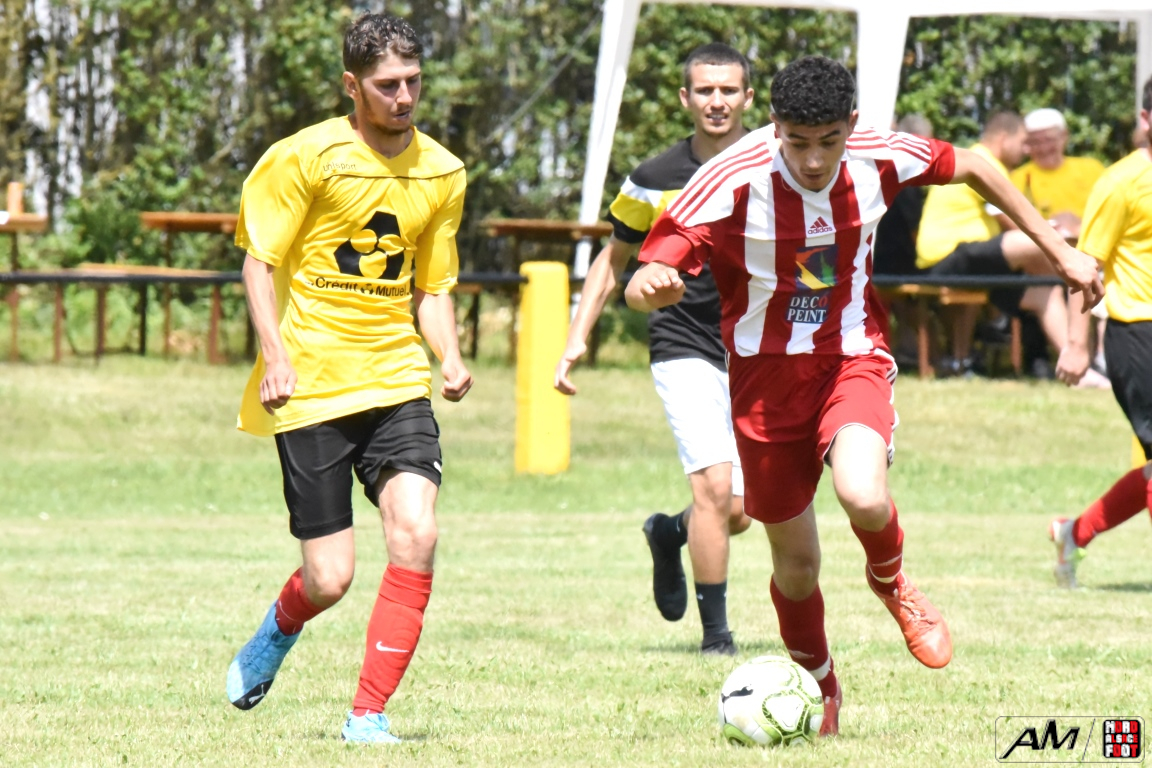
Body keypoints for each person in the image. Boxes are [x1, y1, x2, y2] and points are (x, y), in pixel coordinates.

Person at [624, 56, 1102, 736]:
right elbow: (645, 273)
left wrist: (1060, 252)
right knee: (797, 567)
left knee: (864, 494)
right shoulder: (728, 178)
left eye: (829, 140)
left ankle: (892, 580)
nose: (814, 160)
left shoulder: (880, 153)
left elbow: (975, 165)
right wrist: (652, 286)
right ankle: (822, 686)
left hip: (851, 357)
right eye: (797, 142)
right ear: (774, 125)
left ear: (851, 124)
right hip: (763, 383)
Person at [224, 13, 473, 744]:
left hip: (395, 380)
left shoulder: (443, 171)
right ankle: (280, 626)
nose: (404, 97)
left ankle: (367, 715)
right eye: (387, 85)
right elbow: (259, 265)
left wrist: (449, 355)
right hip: (313, 386)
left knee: (417, 532)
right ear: (351, 86)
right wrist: (275, 356)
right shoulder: (305, 157)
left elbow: (432, 287)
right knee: (330, 577)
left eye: (413, 81)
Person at [554, 43, 752, 656]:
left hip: (755, 347)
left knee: (742, 510)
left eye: (728, 90)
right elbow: (612, 261)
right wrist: (576, 338)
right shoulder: (654, 178)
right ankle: (717, 640)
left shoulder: (773, 164)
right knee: (714, 490)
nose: (716, 101)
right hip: (682, 341)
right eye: (705, 90)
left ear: (747, 98)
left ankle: (669, 533)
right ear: (685, 98)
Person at [1052, 79, 1152, 588]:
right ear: (1146, 119)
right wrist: (1077, 344)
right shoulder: (1121, 182)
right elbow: (1083, 267)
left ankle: (1074, 532)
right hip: (1136, 331)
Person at [916, 111, 1072, 377]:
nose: (1026, 149)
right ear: (1003, 138)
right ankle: (1073, 280)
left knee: (1045, 291)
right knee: (1034, 243)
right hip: (945, 257)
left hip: (971, 261)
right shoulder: (983, 163)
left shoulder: (975, 158)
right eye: (1022, 142)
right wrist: (1062, 248)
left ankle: (1077, 366)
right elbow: (1015, 221)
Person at [1011, 108, 1110, 387]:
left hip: (1096, 252)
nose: (1043, 148)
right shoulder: (1020, 177)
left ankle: (1102, 359)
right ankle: (1075, 361)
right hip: (1046, 262)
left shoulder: (1091, 169)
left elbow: (1111, 215)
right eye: (1036, 141)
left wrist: (1077, 227)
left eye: (1049, 139)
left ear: (1064, 137)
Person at [872, 113, 934, 366]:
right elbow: (916, 232)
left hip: (875, 261)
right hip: (896, 265)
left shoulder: (879, 170)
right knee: (920, 307)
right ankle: (929, 359)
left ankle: (906, 353)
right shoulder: (907, 181)